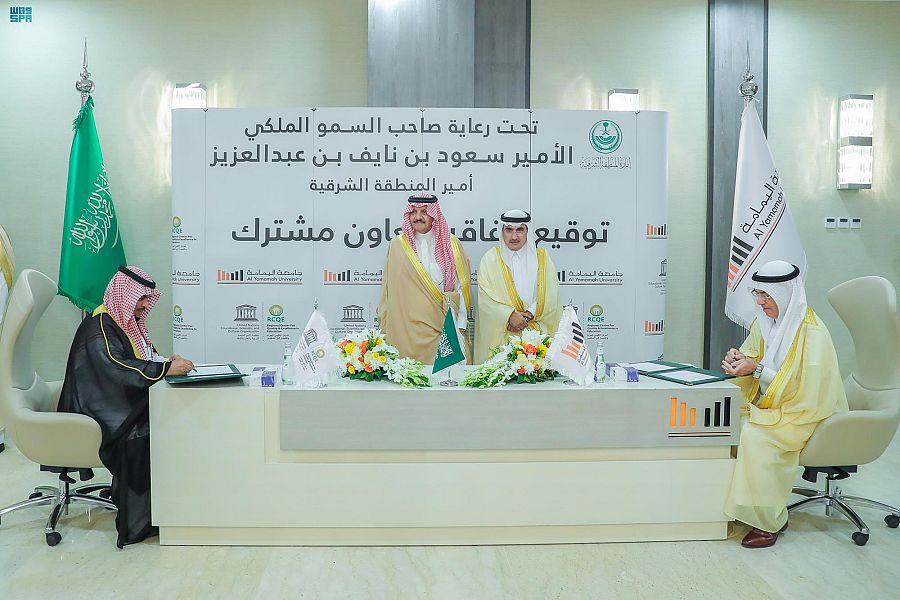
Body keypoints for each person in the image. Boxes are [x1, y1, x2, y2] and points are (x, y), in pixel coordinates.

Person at [57, 266, 193, 548]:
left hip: (110, 401)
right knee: (143, 435)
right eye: (140, 298)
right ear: (125, 295)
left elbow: (141, 357)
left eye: (147, 298)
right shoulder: (100, 327)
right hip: (94, 410)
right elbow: (117, 368)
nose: (144, 305)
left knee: (168, 421)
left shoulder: (124, 322)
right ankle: (138, 524)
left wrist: (164, 362)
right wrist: (164, 370)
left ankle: (167, 508)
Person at [721, 260, 848, 548]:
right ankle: (744, 508)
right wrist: (737, 361)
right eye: (757, 294)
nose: (760, 302)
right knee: (725, 421)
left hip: (805, 412)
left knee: (755, 436)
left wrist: (755, 369)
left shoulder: (812, 333)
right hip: (773, 405)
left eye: (766, 295)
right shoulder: (764, 323)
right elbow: (752, 357)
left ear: (785, 294)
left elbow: (808, 391)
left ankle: (768, 521)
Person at [378, 193, 472, 364]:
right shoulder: (397, 245)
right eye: (413, 212)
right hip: (405, 332)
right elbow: (388, 291)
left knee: (443, 376)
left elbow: (460, 288)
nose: (418, 217)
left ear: (434, 215)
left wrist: (461, 324)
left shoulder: (451, 244)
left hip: (442, 328)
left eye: (424, 212)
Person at [474, 210, 562, 363]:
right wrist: (510, 315)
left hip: (535, 335)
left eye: (520, 230)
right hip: (502, 338)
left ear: (528, 231)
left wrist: (528, 314)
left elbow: (550, 294)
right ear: (502, 232)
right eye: (509, 230)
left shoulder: (542, 258)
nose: (514, 237)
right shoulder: (490, 259)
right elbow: (486, 300)